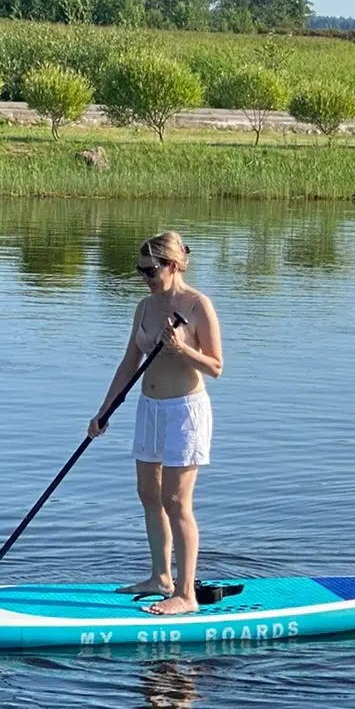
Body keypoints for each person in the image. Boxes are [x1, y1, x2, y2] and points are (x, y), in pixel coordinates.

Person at [89, 232, 223, 615]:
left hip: (185, 411)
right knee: (148, 493)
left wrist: (182, 349)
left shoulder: (198, 306)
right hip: (149, 407)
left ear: (174, 265)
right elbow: (128, 363)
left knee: (176, 500)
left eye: (152, 269)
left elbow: (216, 367)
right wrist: (104, 411)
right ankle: (160, 577)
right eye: (140, 270)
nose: (145, 276)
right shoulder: (145, 308)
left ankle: (185, 594)